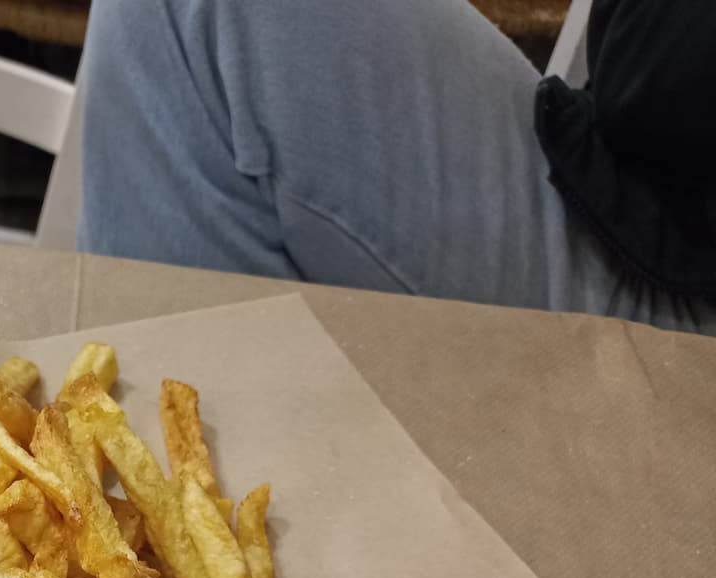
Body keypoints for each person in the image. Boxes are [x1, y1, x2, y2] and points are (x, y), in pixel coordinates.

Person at [76, 0, 716, 335]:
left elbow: (648, 81)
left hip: (679, 292)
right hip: (647, 201)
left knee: (178, 19)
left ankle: (129, 509)